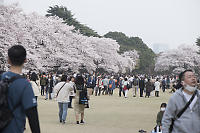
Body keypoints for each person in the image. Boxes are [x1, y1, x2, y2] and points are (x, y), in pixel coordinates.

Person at [1, 45, 40, 133]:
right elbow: (32, 116)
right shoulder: (25, 84)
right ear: (25, 60)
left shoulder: (1, 78)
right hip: (13, 128)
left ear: (8, 60)